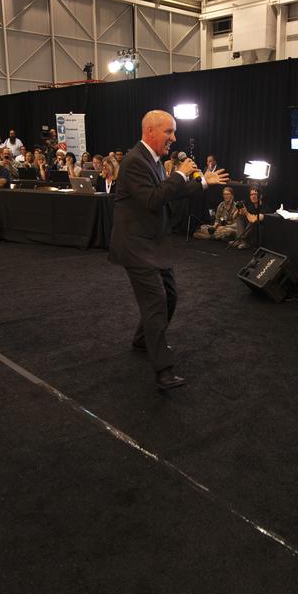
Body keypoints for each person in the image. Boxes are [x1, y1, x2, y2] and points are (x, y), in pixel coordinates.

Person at [110, 109, 228, 391]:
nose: (174, 138)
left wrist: (200, 182)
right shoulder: (134, 161)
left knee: (170, 297)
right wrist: (178, 174)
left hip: (153, 243)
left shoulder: (152, 160)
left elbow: (168, 193)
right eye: (169, 132)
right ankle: (163, 370)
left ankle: (142, 339)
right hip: (136, 246)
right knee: (155, 303)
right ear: (150, 131)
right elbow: (153, 199)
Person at [232, 186, 265, 250]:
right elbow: (234, 217)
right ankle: (242, 241)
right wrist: (238, 209)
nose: (253, 196)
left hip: (259, 231)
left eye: (255, 194)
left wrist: (246, 213)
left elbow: (254, 220)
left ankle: (241, 240)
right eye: (251, 195)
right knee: (240, 217)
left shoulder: (265, 208)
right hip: (249, 231)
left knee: (252, 222)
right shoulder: (250, 207)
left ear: (260, 196)